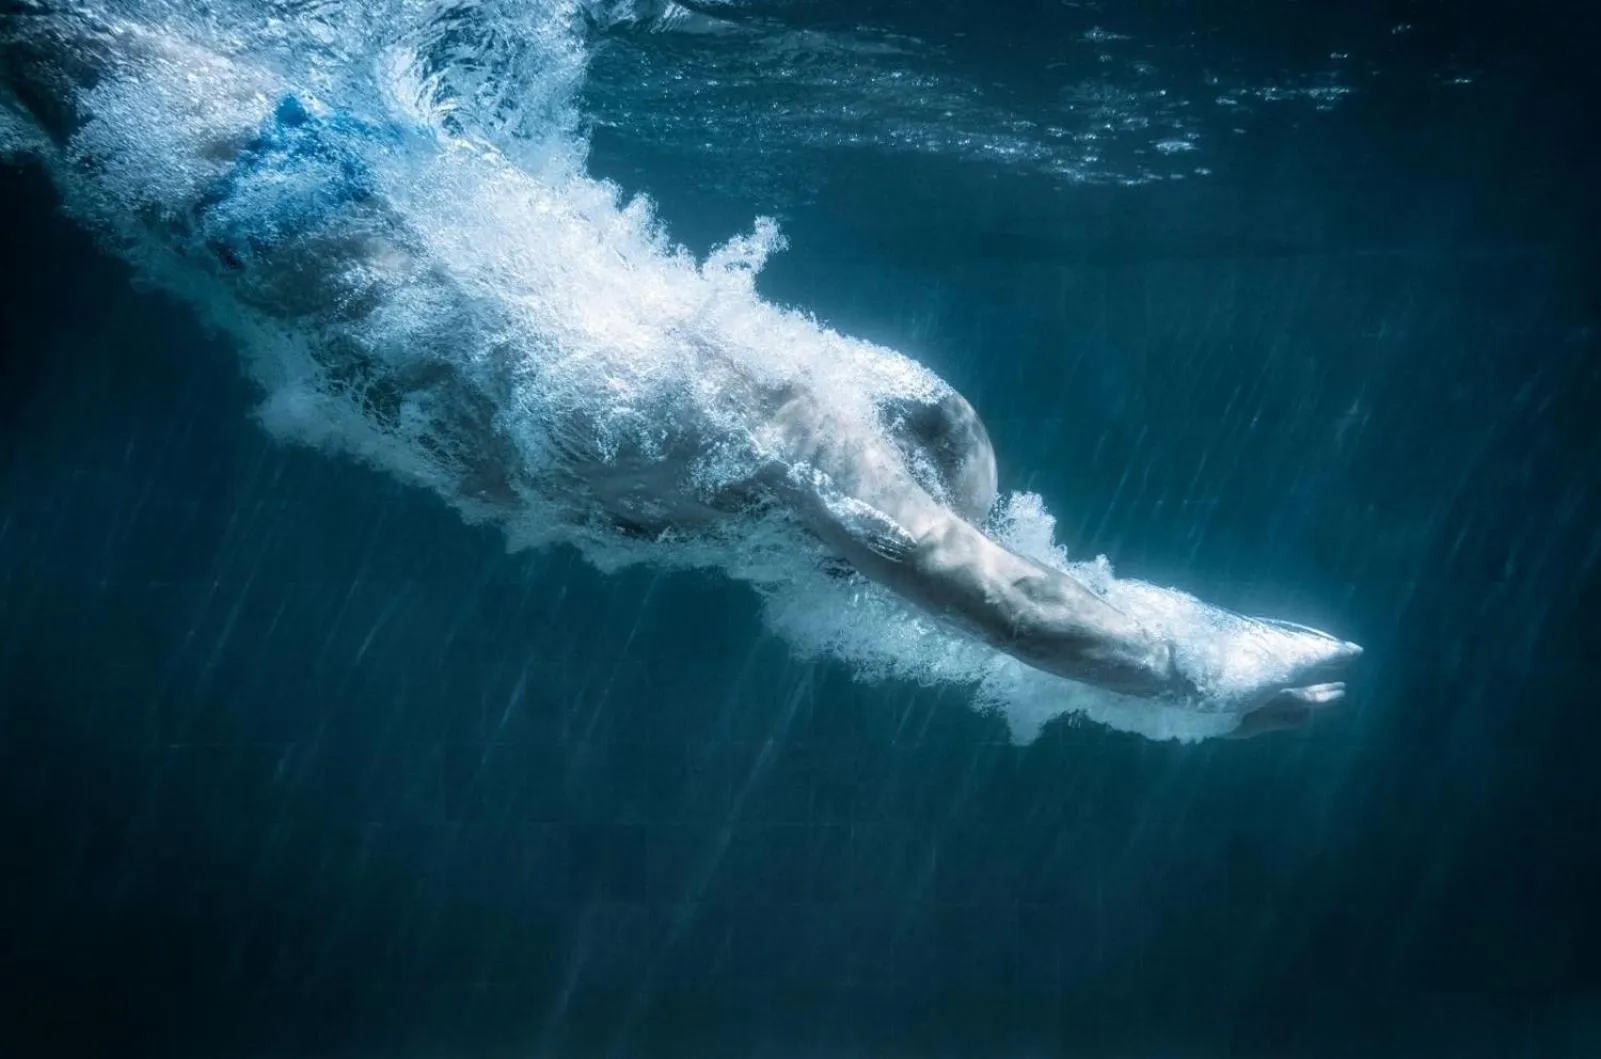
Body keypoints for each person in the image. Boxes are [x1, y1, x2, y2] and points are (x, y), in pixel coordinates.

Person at [2, 5, 1360, 738]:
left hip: (292, 226)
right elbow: (989, 595)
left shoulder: (767, 491)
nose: (882, 564)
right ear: (894, 454)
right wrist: (1193, 670)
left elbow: (969, 609)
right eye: (907, 515)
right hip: (284, 195)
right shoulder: (798, 428)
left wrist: (1172, 699)